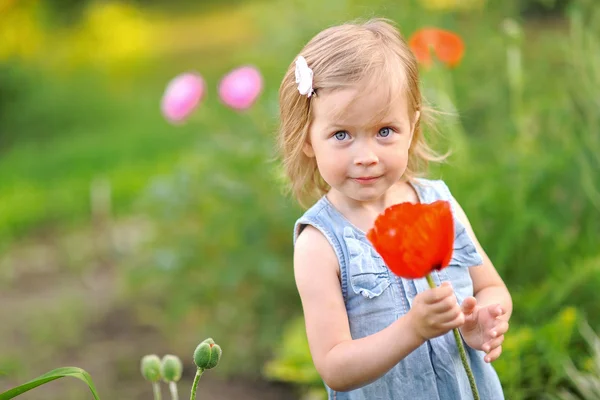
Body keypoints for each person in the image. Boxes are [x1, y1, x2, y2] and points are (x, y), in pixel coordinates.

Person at [276, 18, 512, 399]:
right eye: (341, 135)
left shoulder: (439, 205)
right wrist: (412, 329)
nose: (366, 156)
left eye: (384, 131)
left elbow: (491, 287)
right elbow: (335, 366)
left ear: (413, 126)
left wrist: (484, 317)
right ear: (307, 140)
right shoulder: (320, 245)